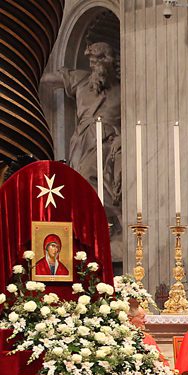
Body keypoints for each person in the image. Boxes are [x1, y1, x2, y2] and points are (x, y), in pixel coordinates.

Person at [41, 42, 123, 255]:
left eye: (100, 60)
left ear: (110, 61)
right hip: (82, 141)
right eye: (93, 62)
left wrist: (120, 138)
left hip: (106, 143)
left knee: (94, 182)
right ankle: (87, 226)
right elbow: (50, 80)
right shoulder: (82, 80)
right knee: (77, 183)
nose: (96, 66)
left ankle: (108, 224)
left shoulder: (121, 90)